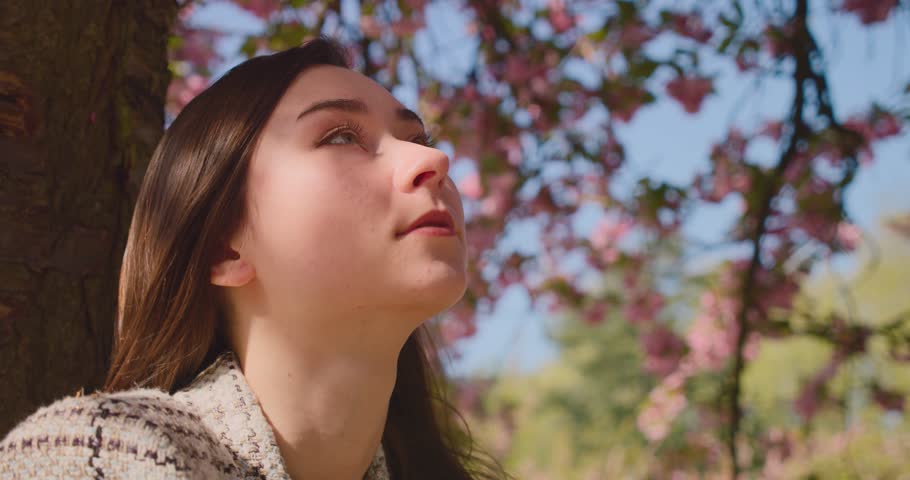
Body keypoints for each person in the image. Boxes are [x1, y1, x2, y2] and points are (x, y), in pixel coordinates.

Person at [0, 37, 506, 480]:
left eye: (417, 139)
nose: (433, 161)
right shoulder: (97, 456)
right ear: (225, 247)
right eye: (341, 137)